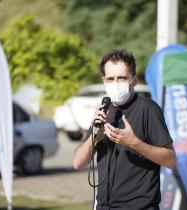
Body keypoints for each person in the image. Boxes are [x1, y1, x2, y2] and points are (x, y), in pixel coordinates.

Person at [73, 49, 176, 210]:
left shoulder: (148, 109)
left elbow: (170, 160)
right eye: (110, 79)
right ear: (104, 81)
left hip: (140, 206)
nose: (115, 83)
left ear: (134, 80)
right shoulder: (103, 109)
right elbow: (78, 162)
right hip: (104, 206)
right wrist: (95, 138)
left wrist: (134, 143)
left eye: (121, 78)